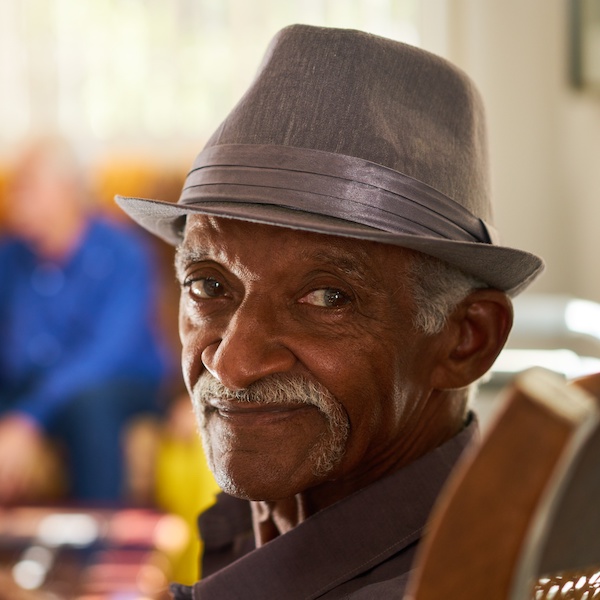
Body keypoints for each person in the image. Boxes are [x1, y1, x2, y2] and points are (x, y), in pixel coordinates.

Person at [117, 25, 544, 599]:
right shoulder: (277, 512)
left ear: (465, 339)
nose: (232, 363)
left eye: (327, 298)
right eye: (208, 285)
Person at [0, 136, 173, 504]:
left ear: (67, 191)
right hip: (30, 384)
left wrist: (29, 416)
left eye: (27, 188)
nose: (14, 200)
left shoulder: (123, 254)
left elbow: (104, 355)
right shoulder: (10, 258)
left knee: (88, 404)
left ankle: (98, 540)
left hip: (118, 384)